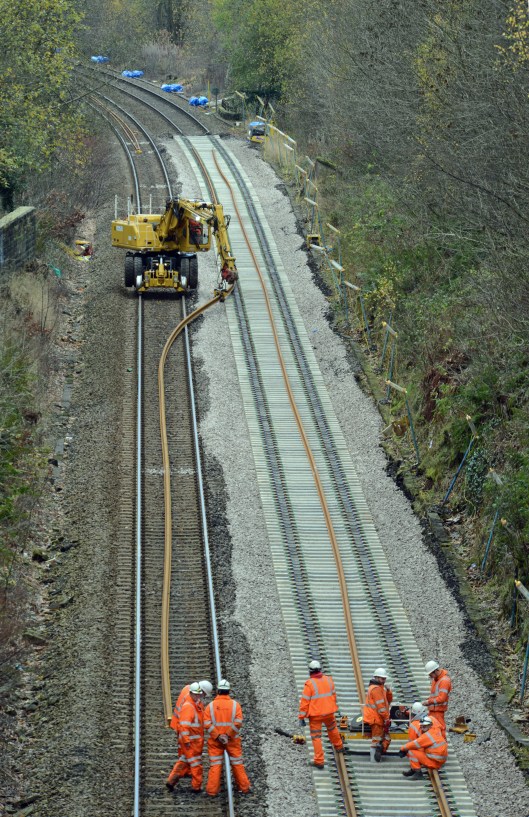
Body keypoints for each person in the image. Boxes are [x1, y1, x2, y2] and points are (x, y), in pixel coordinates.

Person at [204, 680, 251, 796]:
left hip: (216, 741)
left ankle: (212, 791)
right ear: (229, 691)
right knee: (237, 763)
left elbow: (207, 723)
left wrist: (218, 735)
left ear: (218, 691)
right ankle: (244, 787)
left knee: (215, 764)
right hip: (232, 740)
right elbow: (238, 722)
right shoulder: (235, 705)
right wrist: (228, 735)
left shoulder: (210, 707)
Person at [299, 659, 343, 768]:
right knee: (333, 729)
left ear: (310, 671)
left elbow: (305, 702)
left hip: (316, 715)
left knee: (316, 737)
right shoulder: (328, 680)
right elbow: (333, 696)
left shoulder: (309, 684)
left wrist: (301, 717)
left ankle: (319, 761)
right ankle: (339, 746)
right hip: (329, 712)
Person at [166, 682, 206, 792]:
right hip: (191, 742)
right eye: (196, 694)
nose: (198, 696)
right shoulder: (188, 707)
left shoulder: (193, 704)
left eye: (199, 694)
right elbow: (184, 726)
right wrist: (187, 741)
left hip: (193, 741)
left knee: (184, 760)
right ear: (191, 693)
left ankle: (171, 781)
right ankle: (196, 787)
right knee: (196, 764)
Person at [362, 667, 393, 762]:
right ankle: (374, 760)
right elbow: (381, 707)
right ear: (376, 677)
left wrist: (388, 691)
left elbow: (388, 701)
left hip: (378, 718)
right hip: (376, 718)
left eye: (385, 679)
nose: (384, 680)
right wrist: (387, 718)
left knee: (386, 738)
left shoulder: (380, 688)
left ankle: (379, 752)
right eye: (382, 678)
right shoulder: (376, 689)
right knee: (376, 739)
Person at [422, 661, 452, 737]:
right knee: (433, 732)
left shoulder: (444, 681)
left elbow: (442, 698)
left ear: (435, 671)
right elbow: (435, 695)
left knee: (440, 731)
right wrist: (429, 700)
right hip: (433, 711)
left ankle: (442, 748)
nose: (430, 676)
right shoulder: (436, 680)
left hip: (438, 711)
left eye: (430, 674)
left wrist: (429, 702)